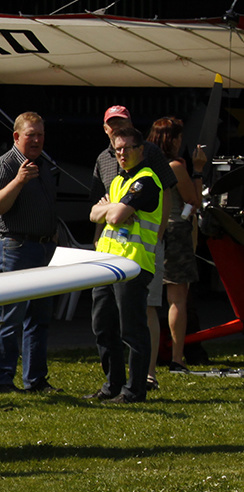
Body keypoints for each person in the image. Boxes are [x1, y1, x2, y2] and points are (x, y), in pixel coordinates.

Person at [93, 106, 175, 392]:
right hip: (106, 264)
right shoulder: (118, 181)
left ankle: (135, 389)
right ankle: (112, 385)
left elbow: (112, 216)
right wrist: (108, 209)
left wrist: (109, 209)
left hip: (132, 265)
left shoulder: (147, 180)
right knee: (103, 327)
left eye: (128, 148)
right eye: (118, 150)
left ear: (141, 149)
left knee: (132, 331)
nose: (123, 154)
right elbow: (93, 213)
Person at [0, 111, 60, 393]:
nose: (37, 140)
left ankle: (36, 379)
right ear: (16, 136)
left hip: (43, 248)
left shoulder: (44, 164)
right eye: (31, 135)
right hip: (15, 248)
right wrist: (18, 181)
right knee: (10, 317)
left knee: (39, 318)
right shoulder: (4, 166)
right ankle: (2, 381)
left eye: (40, 134)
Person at [147, 117, 202, 371]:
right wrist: (198, 170)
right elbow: (194, 200)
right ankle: (177, 358)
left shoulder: (147, 164)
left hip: (151, 232)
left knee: (149, 299)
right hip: (176, 230)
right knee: (177, 297)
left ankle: (150, 355)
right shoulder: (175, 166)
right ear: (173, 139)